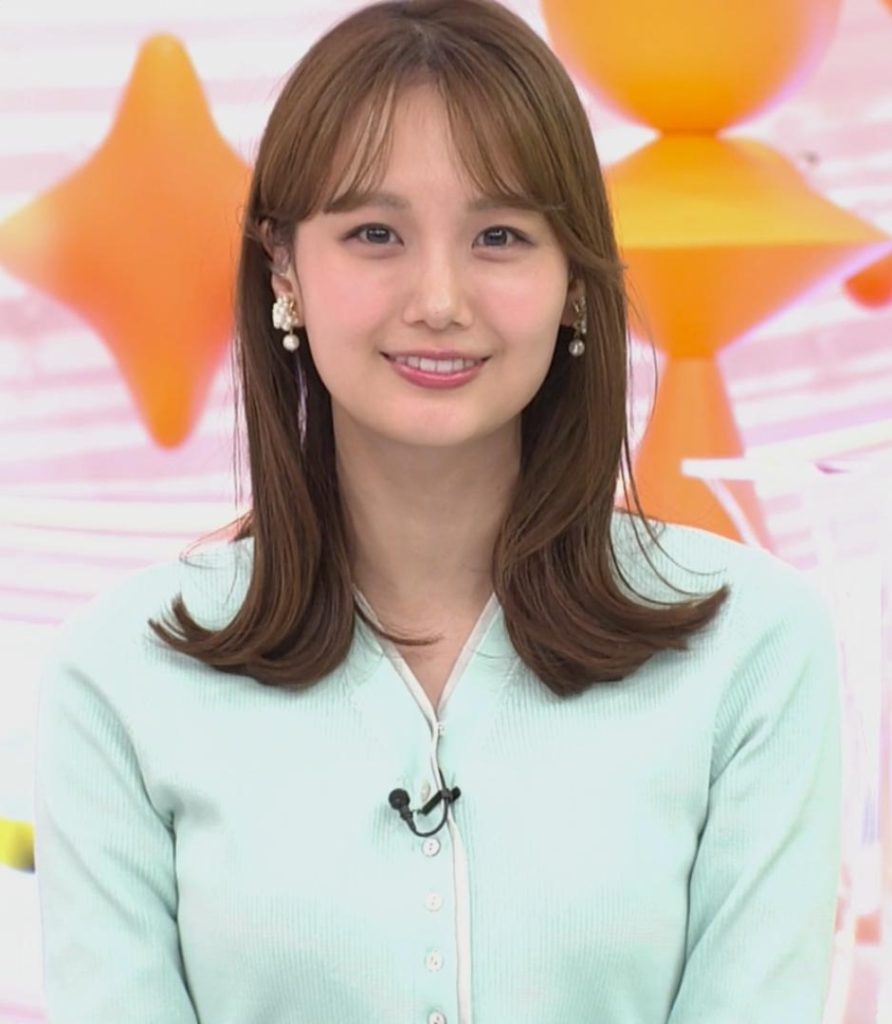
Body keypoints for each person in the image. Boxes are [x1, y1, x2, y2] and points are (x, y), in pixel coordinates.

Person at [33, 0, 842, 1021]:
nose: (440, 300)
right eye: (374, 233)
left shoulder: (756, 648)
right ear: (284, 267)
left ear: (574, 278)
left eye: (500, 235)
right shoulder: (118, 676)